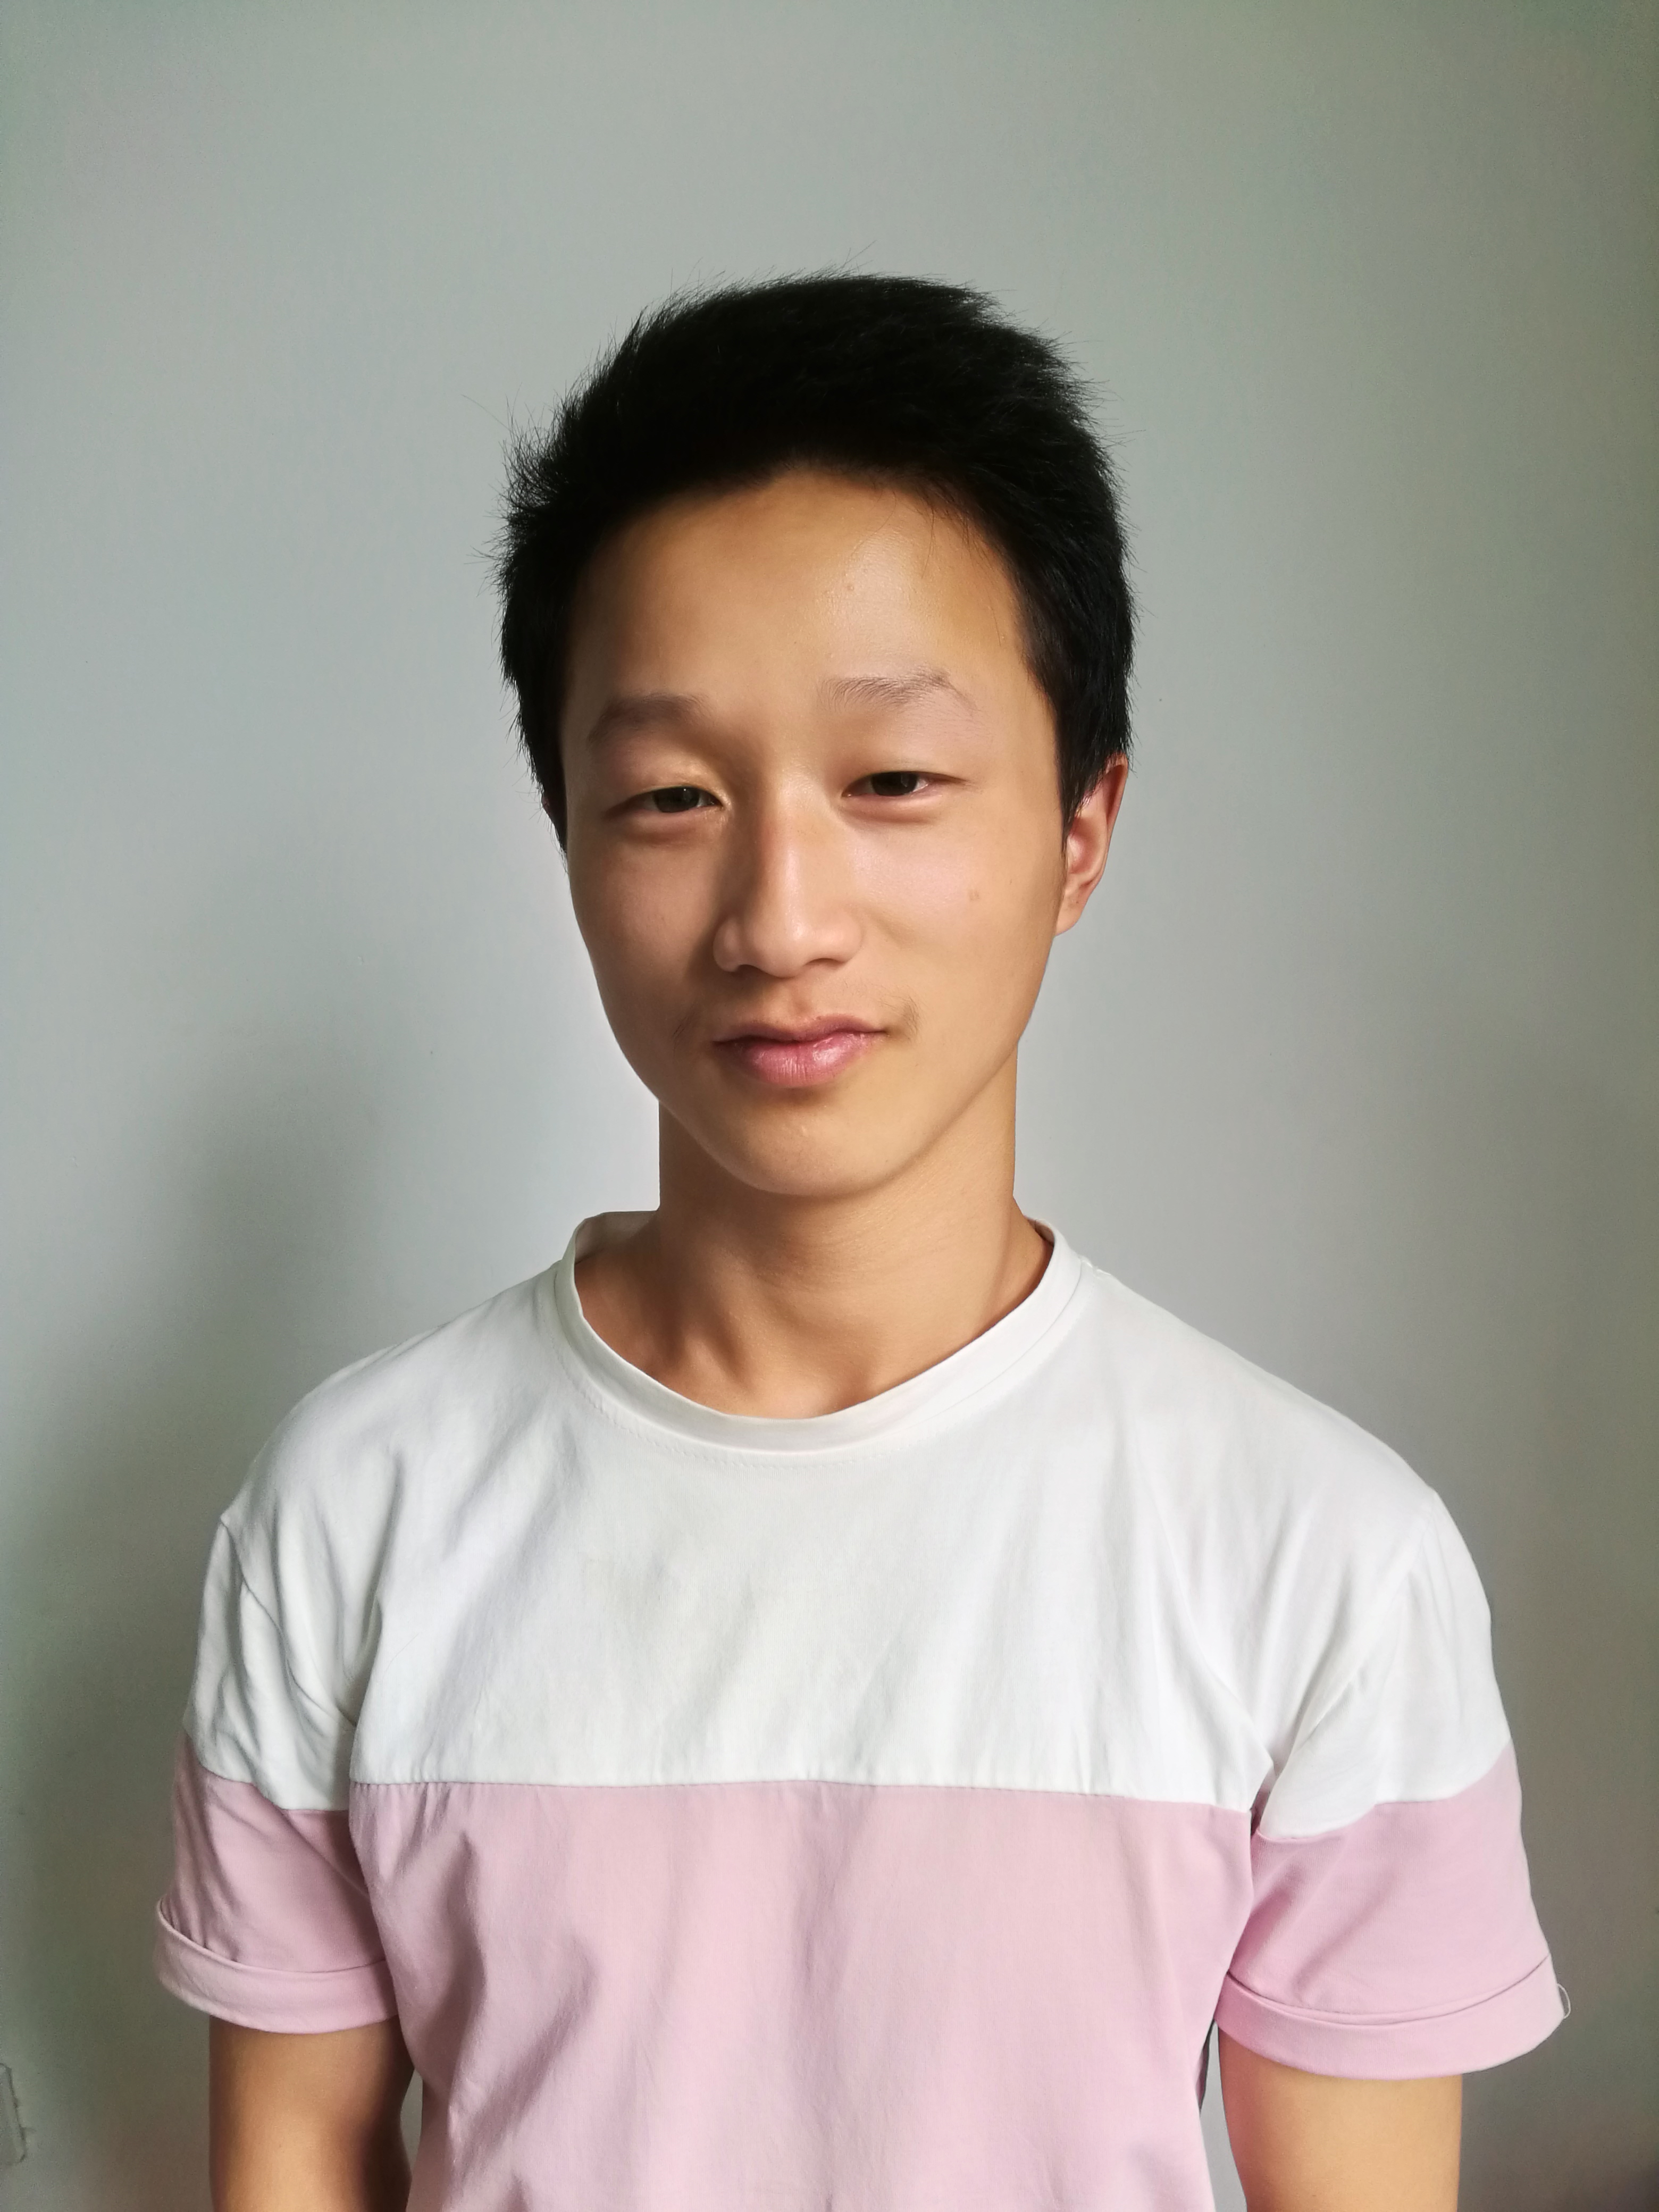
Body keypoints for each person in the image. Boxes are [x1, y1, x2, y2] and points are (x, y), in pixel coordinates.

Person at [154, 274, 1562, 2211]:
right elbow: (295, 2169)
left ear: (1081, 832)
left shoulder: (1320, 1559)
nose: (780, 915)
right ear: (568, 838)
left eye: (893, 780)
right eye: (671, 796)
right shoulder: (353, 1512)